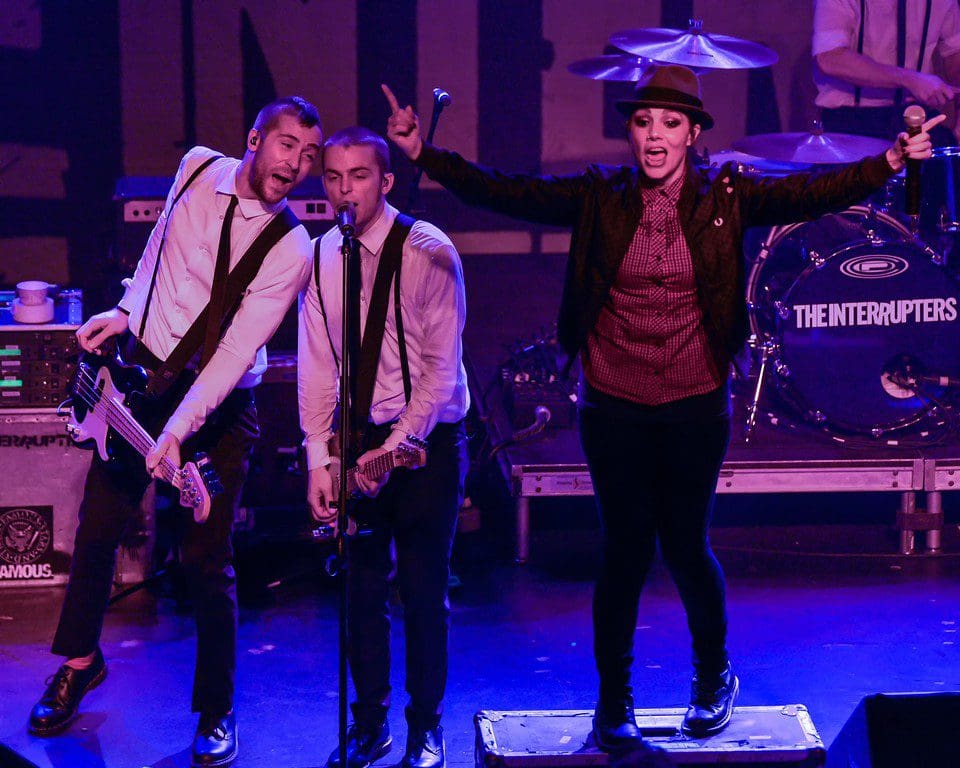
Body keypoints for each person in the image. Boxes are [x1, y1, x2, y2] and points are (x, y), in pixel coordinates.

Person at [381, 66, 941, 752]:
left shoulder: (726, 195)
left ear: (693, 134)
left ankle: (713, 679)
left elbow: (812, 192)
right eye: (644, 122)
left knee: (684, 545)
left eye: (671, 124)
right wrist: (423, 154)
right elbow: (508, 190)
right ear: (632, 131)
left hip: (693, 403)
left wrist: (890, 160)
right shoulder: (601, 195)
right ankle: (613, 700)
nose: (655, 136)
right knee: (622, 551)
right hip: (613, 404)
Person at [27, 96, 323, 768]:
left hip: (216, 411)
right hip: (142, 384)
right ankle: (80, 662)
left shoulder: (291, 247)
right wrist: (126, 311)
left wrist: (181, 430)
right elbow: (159, 252)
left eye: (309, 156)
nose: (296, 165)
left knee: (205, 562)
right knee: (97, 531)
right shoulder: (195, 167)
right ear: (255, 139)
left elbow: (233, 352)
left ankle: (216, 709)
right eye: (287, 146)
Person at [298, 126, 470, 768]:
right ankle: (370, 725)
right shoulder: (320, 256)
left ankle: (426, 727)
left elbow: (440, 372)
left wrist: (393, 450)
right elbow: (318, 364)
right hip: (358, 437)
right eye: (334, 177)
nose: (345, 190)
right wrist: (320, 456)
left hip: (426, 441)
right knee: (360, 593)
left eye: (360, 176)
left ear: (386, 181)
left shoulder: (430, 250)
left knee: (424, 593)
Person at [813, 0, 960, 143]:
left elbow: (955, 52)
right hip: (851, 119)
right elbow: (830, 58)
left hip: (916, 115)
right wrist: (910, 79)